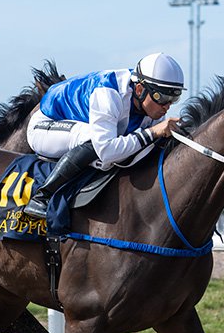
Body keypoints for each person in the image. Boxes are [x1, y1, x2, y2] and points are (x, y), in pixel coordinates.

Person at [23, 52, 185, 219]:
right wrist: (152, 132)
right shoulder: (108, 93)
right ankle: (42, 196)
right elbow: (106, 151)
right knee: (95, 140)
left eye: (174, 98)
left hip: (80, 128)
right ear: (139, 89)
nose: (167, 106)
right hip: (46, 126)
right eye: (162, 97)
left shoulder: (148, 102)